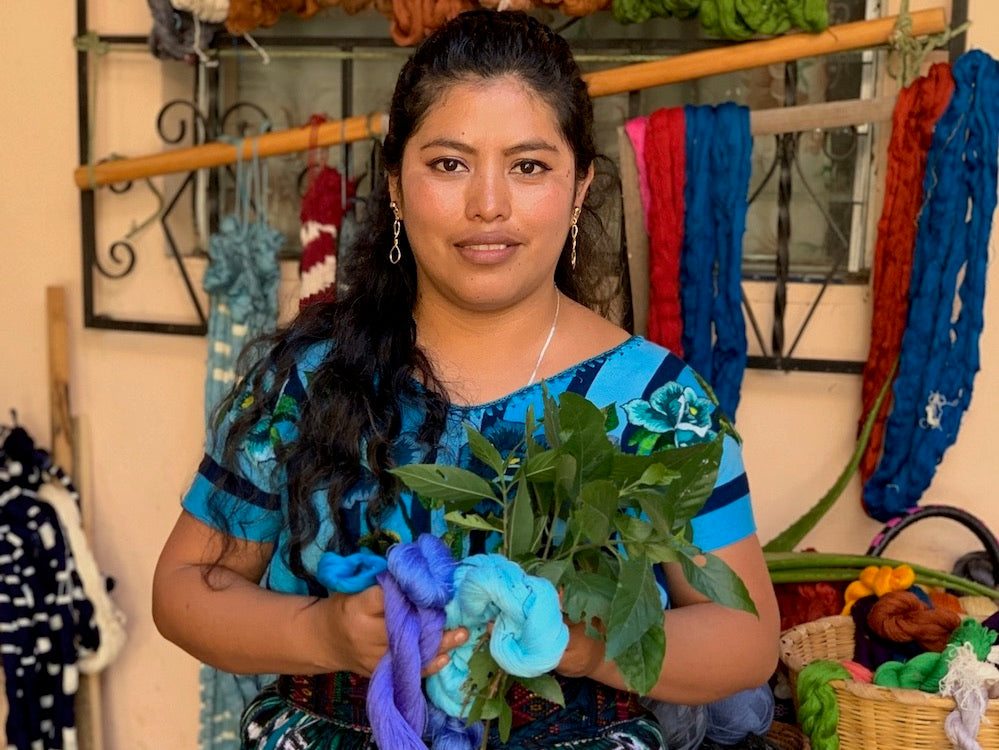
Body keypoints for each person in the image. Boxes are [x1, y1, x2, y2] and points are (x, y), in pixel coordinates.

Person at [152, 9, 780, 749]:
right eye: (449, 163)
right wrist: (321, 633)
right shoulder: (312, 375)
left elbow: (745, 639)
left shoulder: (655, 403)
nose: (488, 204)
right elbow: (183, 589)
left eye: (529, 166)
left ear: (579, 187)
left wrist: (579, 645)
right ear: (394, 184)